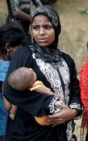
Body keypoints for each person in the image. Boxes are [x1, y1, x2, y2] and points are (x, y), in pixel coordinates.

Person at [3, 5, 83, 141]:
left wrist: (72, 112)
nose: (41, 32)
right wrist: (50, 103)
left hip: (60, 132)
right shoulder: (24, 54)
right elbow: (10, 91)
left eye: (47, 27)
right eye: (36, 28)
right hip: (29, 132)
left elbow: (75, 90)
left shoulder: (66, 60)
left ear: (56, 28)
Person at [0, 23, 26, 141]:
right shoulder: (7, 68)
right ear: (8, 46)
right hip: (4, 125)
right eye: (18, 49)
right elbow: (8, 105)